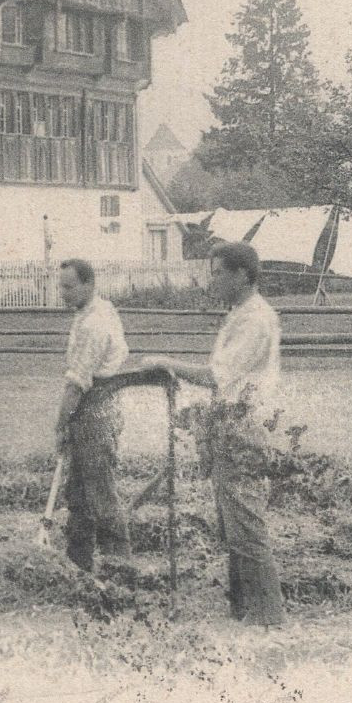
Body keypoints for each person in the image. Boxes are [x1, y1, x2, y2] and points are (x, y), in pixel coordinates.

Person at [142, 241, 287, 627]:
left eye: (219, 271)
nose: (213, 279)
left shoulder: (255, 319)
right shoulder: (240, 314)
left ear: (242, 275)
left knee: (245, 525)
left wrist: (164, 361)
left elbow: (216, 377)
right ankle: (244, 613)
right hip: (229, 422)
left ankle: (268, 617)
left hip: (244, 426)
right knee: (232, 526)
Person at [54, 259, 131, 572]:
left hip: (95, 410)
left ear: (89, 284)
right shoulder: (91, 312)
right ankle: (79, 567)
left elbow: (76, 384)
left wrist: (60, 425)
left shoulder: (94, 323)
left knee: (100, 495)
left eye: (69, 286)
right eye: (60, 285)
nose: (62, 292)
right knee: (78, 494)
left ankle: (121, 573)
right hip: (93, 408)